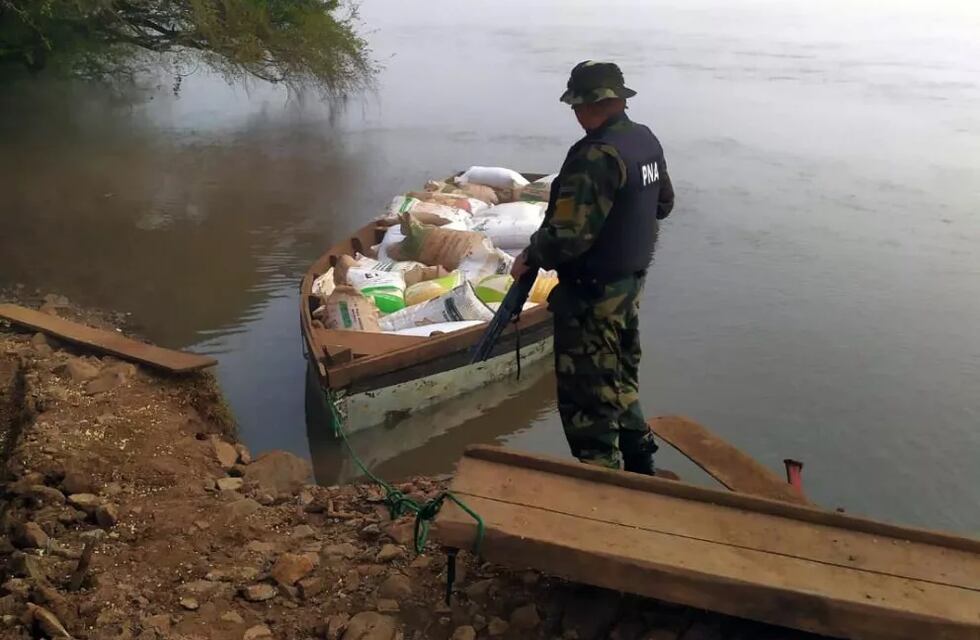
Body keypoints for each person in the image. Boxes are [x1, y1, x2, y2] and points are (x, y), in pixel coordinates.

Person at [511, 60, 674, 475]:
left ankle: (602, 492)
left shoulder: (595, 155)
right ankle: (642, 468)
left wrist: (531, 256)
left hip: (591, 299)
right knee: (620, 383)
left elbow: (568, 237)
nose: (575, 114)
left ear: (588, 104)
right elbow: (664, 204)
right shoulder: (644, 141)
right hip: (628, 289)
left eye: (574, 106)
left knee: (588, 402)